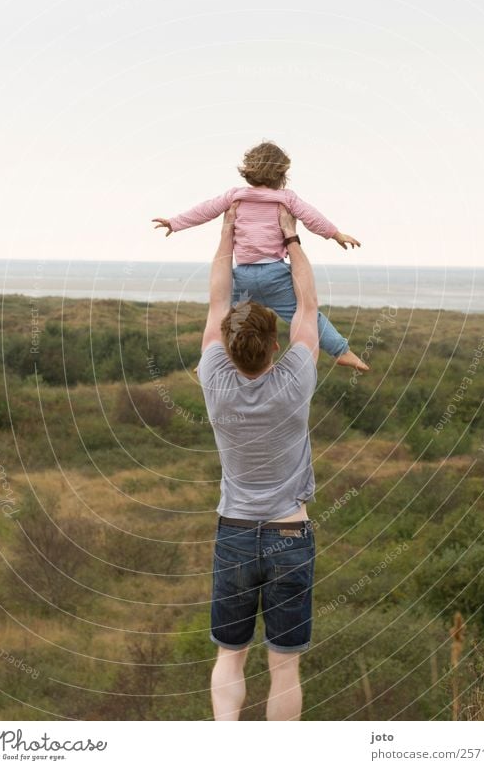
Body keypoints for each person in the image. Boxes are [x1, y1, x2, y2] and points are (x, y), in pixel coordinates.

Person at [196, 200, 319, 721]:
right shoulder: (295, 378)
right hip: (291, 531)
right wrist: (291, 239)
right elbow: (309, 309)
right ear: (275, 343)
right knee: (285, 666)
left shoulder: (214, 379)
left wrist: (227, 236)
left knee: (230, 654)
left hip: (236, 532)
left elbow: (217, 301)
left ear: (226, 345)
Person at [153, 140, 369, 372]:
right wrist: (335, 234)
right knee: (308, 313)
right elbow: (311, 217)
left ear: (249, 171)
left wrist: (175, 223)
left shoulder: (235, 196)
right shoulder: (286, 198)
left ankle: (208, 358)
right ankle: (341, 351)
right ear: (281, 174)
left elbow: (205, 210)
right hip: (275, 276)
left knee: (224, 317)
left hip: (244, 276)